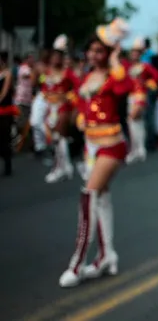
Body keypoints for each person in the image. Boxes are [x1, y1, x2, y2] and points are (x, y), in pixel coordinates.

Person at [58, 19, 133, 288]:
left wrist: (115, 58)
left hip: (111, 145)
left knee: (88, 195)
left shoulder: (115, 74)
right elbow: (80, 102)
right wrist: (80, 119)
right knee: (101, 199)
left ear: (109, 52)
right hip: (91, 145)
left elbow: (124, 89)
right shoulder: (87, 75)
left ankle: (76, 264)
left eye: (100, 51)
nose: (94, 54)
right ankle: (106, 256)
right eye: (91, 50)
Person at [42, 35, 80, 183]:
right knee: (55, 139)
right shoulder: (48, 73)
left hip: (63, 107)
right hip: (50, 107)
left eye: (59, 55)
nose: (56, 58)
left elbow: (78, 86)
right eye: (54, 56)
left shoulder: (67, 72)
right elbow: (44, 86)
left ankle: (61, 167)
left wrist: (70, 98)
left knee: (60, 137)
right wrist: (45, 95)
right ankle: (65, 167)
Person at [0, 52, 17, 175]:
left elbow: (4, 92)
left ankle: (7, 165)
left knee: (4, 137)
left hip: (5, 109)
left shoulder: (8, 74)